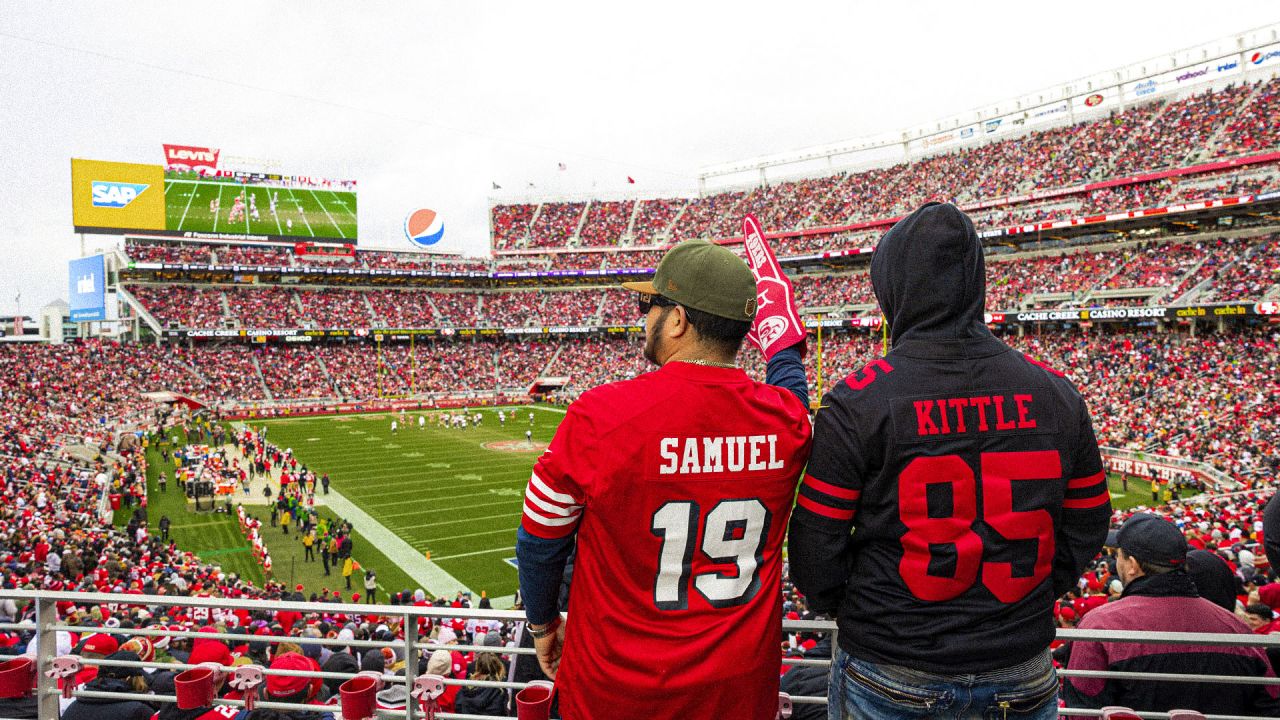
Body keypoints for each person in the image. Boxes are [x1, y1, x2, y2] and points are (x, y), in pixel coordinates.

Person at [788, 203, 1111, 720]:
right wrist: (1031, 597)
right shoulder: (1055, 392)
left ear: (895, 288)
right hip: (1019, 664)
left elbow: (814, 548)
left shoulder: (858, 400)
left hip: (892, 665)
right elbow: (1090, 522)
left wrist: (865, 610)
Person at [515, 236, 812, 719]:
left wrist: (544, 626)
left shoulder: (599, 415)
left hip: (615, 692)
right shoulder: (787, 422)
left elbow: (538, 541)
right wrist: (783, 343)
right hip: (737, 693)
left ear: (677, 319)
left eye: (648, 304)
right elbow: (793, 392)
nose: (644, 317)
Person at [1064, 513, 1280, 714]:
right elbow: (1269, 706)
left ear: (1132, 565)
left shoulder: (1100, 626)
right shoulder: (1237, 628)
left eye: (1119, 555)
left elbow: (1083, 710)